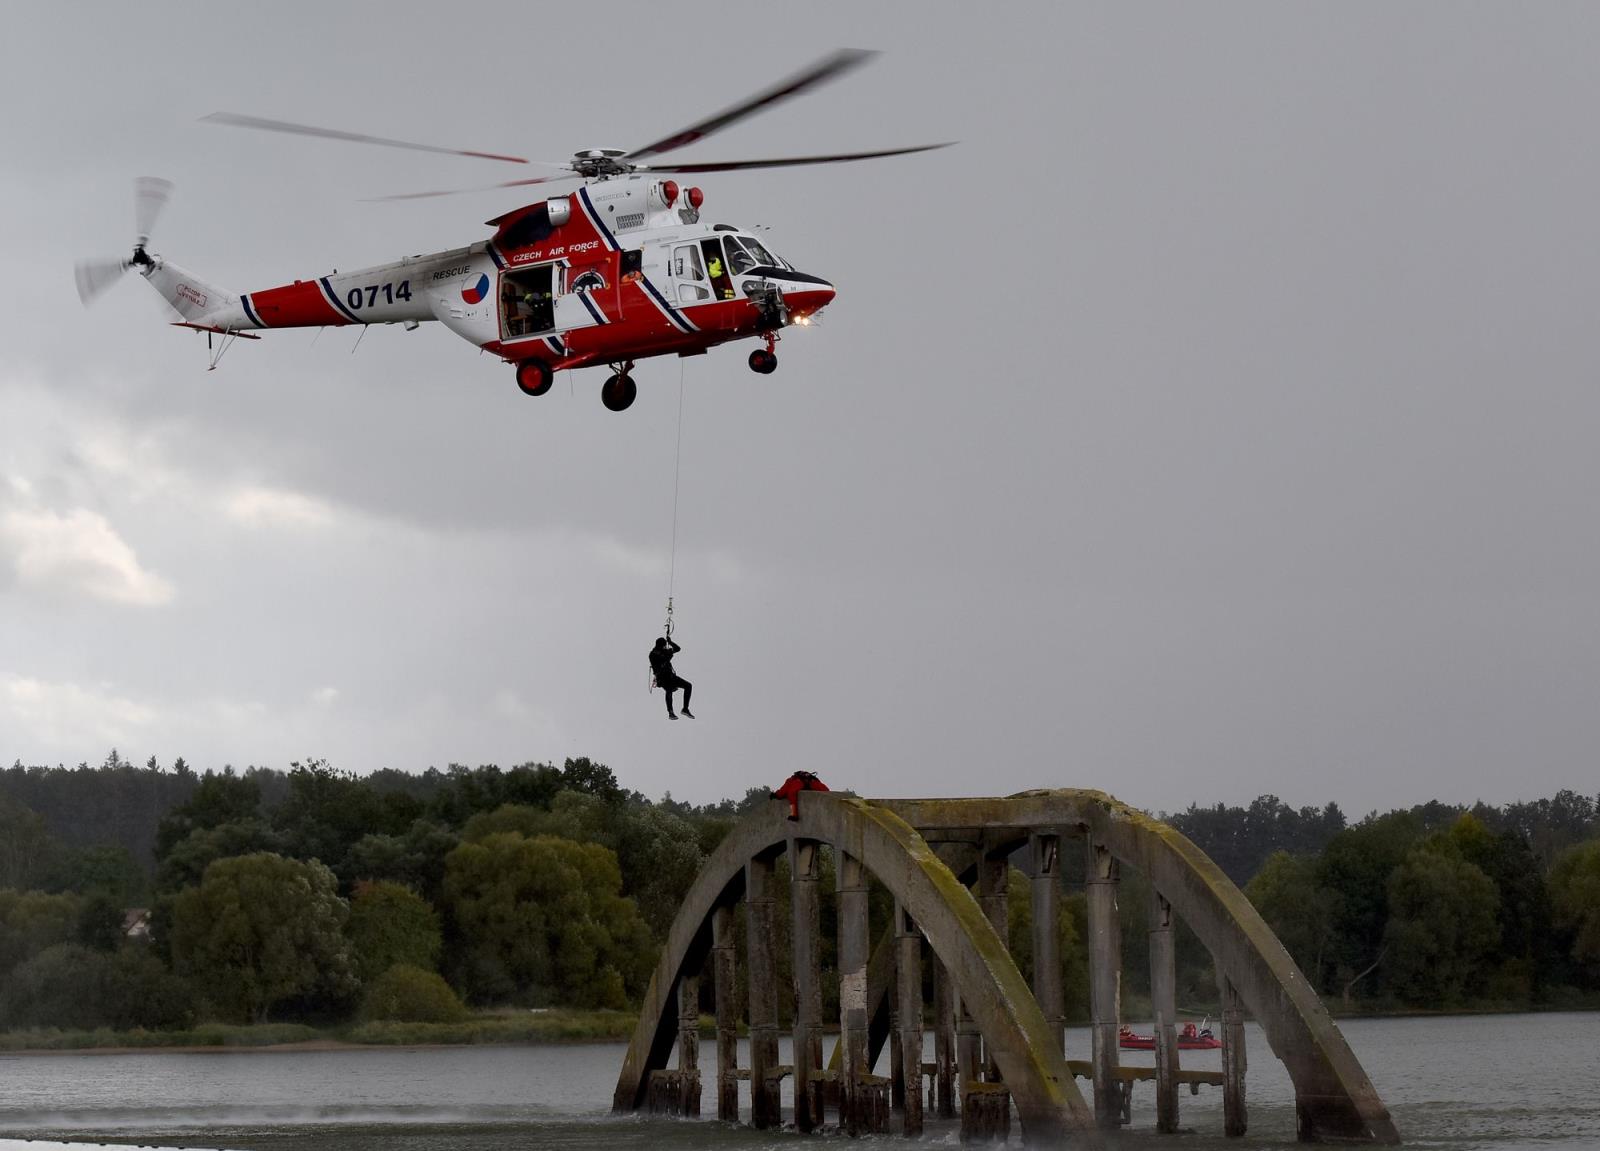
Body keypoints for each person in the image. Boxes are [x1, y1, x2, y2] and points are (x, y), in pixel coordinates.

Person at [650, 636, 693, 719]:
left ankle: (685, 709)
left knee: (688, 686)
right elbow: (661, 661)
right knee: (669, 689)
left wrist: (670, 642)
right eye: (664, 646)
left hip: (671, 677)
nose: (665, 647)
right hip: (662, 678)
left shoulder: (664, 651)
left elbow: (677, 649)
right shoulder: (653, 654)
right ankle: (670, 712)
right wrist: (668, 655)